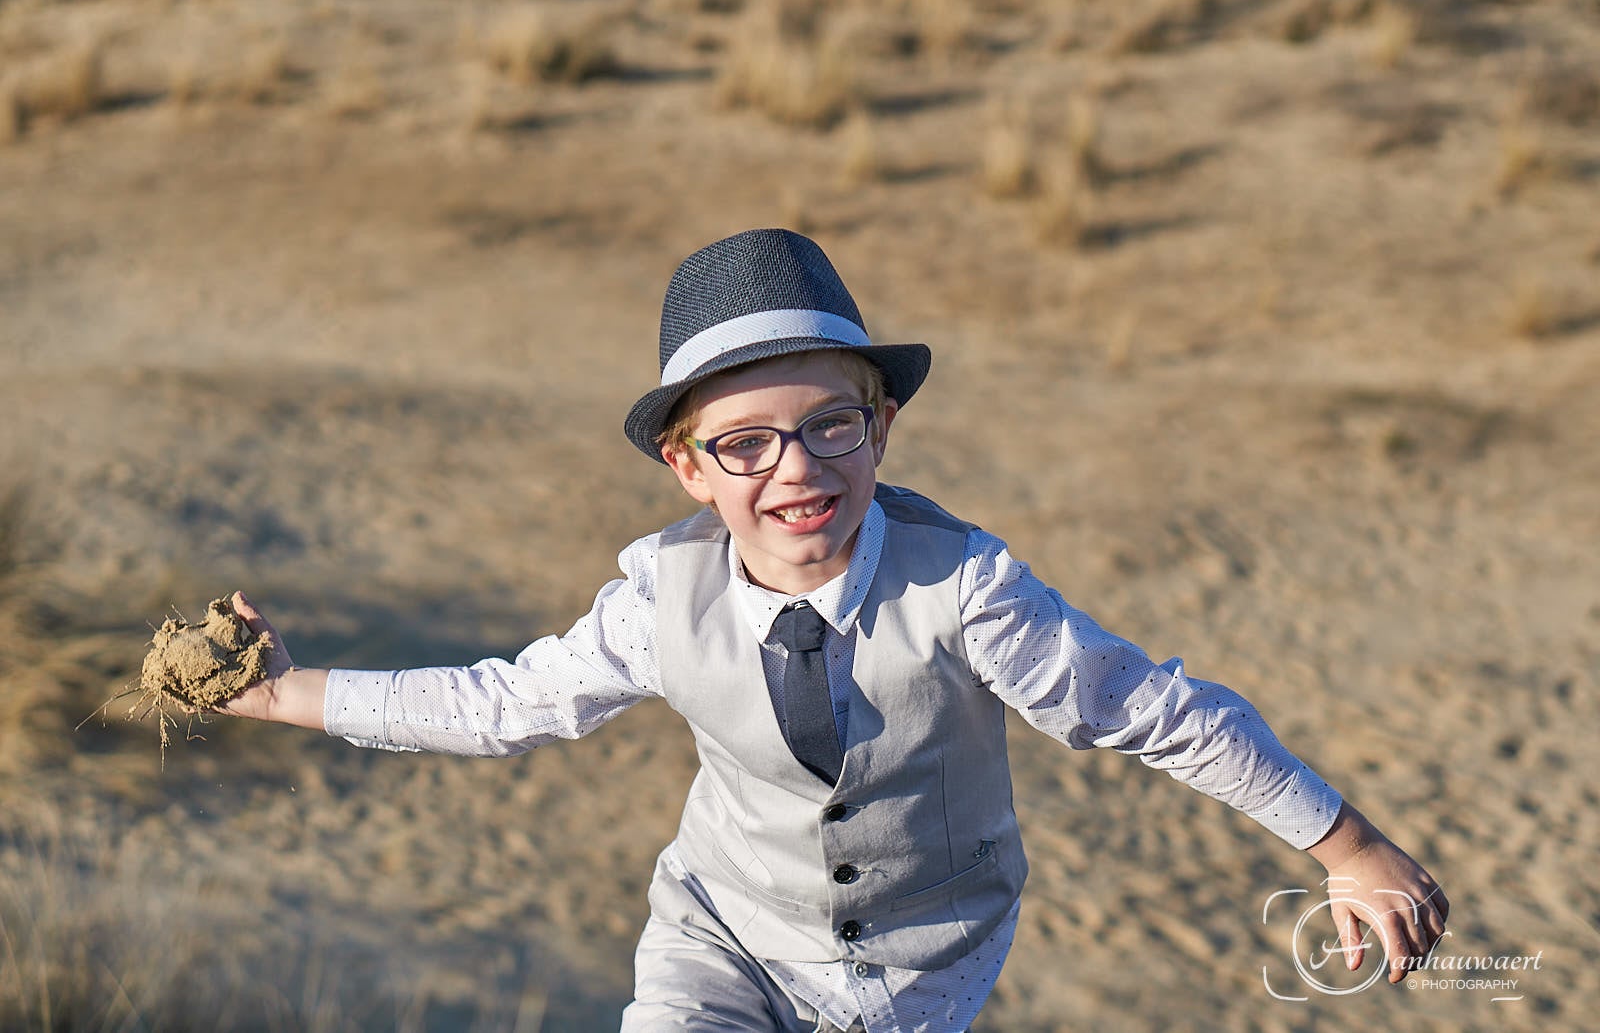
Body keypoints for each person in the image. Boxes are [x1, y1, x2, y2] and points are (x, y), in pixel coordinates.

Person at [223, 228, 1448, 1032]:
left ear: (881, 425)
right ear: (687, 466)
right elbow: (502, 703)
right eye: (744, 443)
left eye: (830, 425)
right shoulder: (658, 595)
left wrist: (1345, 843)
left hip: (922, 960)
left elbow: (1154, 711)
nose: (796, 468)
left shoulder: (968, 587)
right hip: (719, 929)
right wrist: (289, 691)